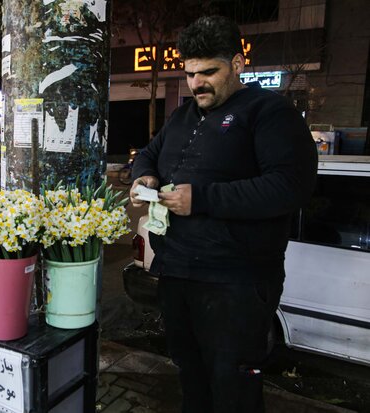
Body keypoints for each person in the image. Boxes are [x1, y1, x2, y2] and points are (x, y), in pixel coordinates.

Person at [130, 16, 317, 413]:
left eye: (208, 72)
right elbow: (148, 153)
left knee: (233, 384)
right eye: (190, 73)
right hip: (178, 273)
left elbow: (289, 187)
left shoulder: (269, 112)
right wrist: (143, 174)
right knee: (190, 374)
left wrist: (201, 199)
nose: (197, 83)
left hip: (236, 282)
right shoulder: (182, 116)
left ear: (237, 63)